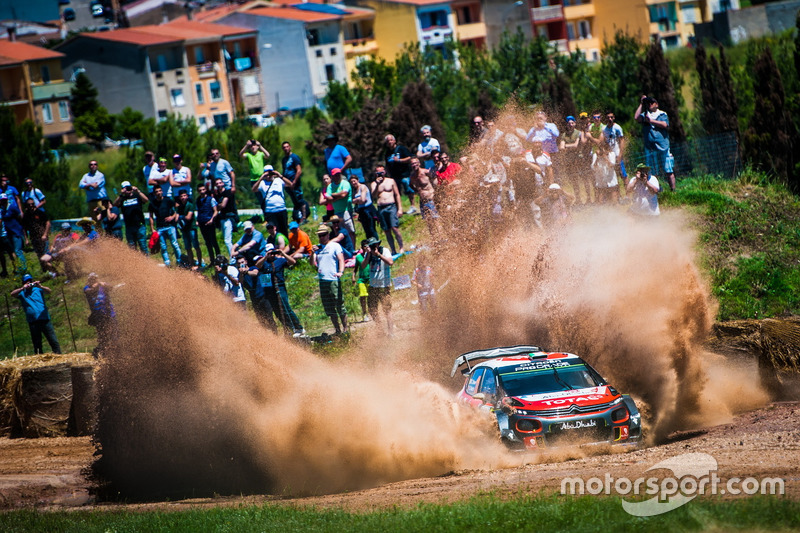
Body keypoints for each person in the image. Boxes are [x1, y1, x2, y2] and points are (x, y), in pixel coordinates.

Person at [255, 246, 305, 336]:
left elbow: (293, 262)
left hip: (280, 287)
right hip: (269, 290)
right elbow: (258, 265)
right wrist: (265, 257)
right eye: (270, 253)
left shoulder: (280, 260)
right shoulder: (264, 262)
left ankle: (298, 327)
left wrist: (283, 253)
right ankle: (289, 328)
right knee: (277, 311)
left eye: (273, 253)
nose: (272, 255)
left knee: (286, 308)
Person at [312, 224, 348, 334]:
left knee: (339, 303)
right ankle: (337, 329)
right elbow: (313, 263)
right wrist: (312, 252)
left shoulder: (334, 246)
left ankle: (345, 328)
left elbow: (341, 259)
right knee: (328, 306)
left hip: (333, 279)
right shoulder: (318, 249)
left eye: (323, 235)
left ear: (328, 234)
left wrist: (341, 271)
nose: (321, 237)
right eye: (319, 236)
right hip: (323, 280)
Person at [11, 274, 61, 354]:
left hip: (44, 319)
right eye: (27, 281)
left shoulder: (38, 289)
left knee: (53, 340)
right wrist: (22, 288)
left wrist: (40, 286)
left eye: (30, 281)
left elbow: (49, 291)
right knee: (37, 343)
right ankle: (39, 357)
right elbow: (12, 294)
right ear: (23, 282)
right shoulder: (22, 293)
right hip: (33, 321)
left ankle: (58, 354)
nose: (29, 283)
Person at [635, 95, 675, 191]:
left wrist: (651, 121)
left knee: (668, 169)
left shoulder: (662, 114)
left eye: (651, 103)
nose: (650, 105)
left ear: (656, 104)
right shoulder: (645, 114)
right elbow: (636, 118)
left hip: (663, 147)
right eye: (648, 103)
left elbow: (664, 124)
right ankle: (657, 189)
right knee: (653, 171)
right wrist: (641, 103)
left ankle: (673, 190)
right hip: (650, 148)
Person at [370, 165, 404, 255]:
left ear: (384, 172)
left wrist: (400, 208)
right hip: (381, 208)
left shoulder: (391, 181)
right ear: (375, 173)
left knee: (395, 228)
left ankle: (401, 247)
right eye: (378, 173)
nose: (380, 174)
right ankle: (393, 249)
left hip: (391, 206)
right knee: (387, 230)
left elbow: (397, 194)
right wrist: (377, 184)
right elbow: (373, 196)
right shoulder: (374, 184)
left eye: (381, 172)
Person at [364, 236, 394, 336]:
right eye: (371, 245)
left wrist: (378, 255)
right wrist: (368, 254)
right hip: (373, 286)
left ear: (378, 244)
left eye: (375, 245)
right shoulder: (368, 253)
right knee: (372, 309)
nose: (374, 247)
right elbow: (363, 266)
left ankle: (391, 332)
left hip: (384, 285)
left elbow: (390, 262)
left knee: (387, 310)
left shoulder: (384, 251)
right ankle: (380, 329)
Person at [252, 164, 292, 238]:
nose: (269, 175)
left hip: (281, 209)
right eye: (267, 173)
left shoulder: (279, 180)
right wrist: (261, 178)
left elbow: (290, 184)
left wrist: (280, 175)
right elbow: (254, 189)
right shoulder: (262, 183)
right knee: (273, 231)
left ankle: (285, 246)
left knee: (284, 229)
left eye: (270, 173)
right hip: (270, 211)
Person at [83, 272, 118, 357]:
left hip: (109, 314)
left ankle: (116, 351)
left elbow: (111, 286)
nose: (93, 281)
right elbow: (89, 291)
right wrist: (98, 285)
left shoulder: (102, 285)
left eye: (94, 279)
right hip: (98, 316)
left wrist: (103, 284)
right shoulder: (87, 288)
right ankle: (104, 352)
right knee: (102, 335)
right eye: (91, 279)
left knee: (114, 333)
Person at [148, 184, 183, 267]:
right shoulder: (152, 204)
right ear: (154, 193)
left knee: (175, 244)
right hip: (160, 227)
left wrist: (172, 217)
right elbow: (151, 217)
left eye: (160, 191)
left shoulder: (168, 200)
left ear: (162, 191)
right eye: (156, 192)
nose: (159, 193)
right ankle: (167, 263)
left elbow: (177, 207)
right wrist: (152, 229)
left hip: (170, 226)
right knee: (163, 246)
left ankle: (180, 261)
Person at [114, 181, 149, 254]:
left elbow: (146, 200)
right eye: (125, 188)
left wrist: (138, 191)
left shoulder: (137, 196)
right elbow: (115, 205)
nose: (127, 190)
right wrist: (121, 194)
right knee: (132, 248)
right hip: (129, 226)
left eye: (128, 187)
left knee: (143, 246)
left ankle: (146, 263)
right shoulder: (122, 199)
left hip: (139, 225)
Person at [559, 115, 588, 203]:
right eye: (569, 123)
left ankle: (588, 198)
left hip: (578, 159)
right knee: (573, 180)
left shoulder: (578, 133)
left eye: (572, 123)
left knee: (584, 178)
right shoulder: (564, 135)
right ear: (566, 125)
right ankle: (578, 199)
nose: (570, 125)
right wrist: (567, 146)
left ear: (575, 123)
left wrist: (566, 146)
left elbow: (575, 146)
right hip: (569, 159)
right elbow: (561, 147)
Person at [324, 168, 356, 245]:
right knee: (340, 231)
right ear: (332, 176)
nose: (337, 176)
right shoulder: (330, 186)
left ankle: (353, 248)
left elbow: (344, 194)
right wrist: (339, 196)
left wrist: (333, 194)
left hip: (346, 210)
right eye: (335, 175)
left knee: (350, 230)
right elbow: (328, 198)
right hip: (337, 211)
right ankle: (344, 247)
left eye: (339, 175)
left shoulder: (345, 183)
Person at [384, 134, 415, 214]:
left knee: (408, 189)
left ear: (394, 141)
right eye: (388, 141)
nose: (389, 142)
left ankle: (413, 206)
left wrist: (399, 160)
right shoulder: (387, 153)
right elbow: (387, 164)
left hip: (404, 174)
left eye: (391, 140)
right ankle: (398, 208)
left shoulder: (401, 149)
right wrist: (388, 174)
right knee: (396, 192)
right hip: (394, 175)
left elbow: (410, 158)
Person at [409, 157, 439, 235]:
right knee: (428, 222)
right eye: (412, 163)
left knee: (435, 220)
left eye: (415, 163)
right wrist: (417, 191)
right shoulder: (412, 176)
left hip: (431, 199)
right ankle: (435, 240)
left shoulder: (425, 172)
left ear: (419, 163)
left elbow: (435, 180)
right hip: (422, 202)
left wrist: (435, 193)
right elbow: (410, 185)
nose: (414, 165)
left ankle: (442, 238)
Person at [281, 141, 308, 222]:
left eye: (287, 147)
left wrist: (295, 181)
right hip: (287, 183)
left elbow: (299, 170)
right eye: (284, 147)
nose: (286, 149)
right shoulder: (284, 159)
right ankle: (298, 217)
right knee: (295, 201)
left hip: (294, 182)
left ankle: (304, 216)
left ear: (290, 147)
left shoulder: (294, 157)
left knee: (300, 199)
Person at [21, 198, 50, 273]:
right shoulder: (26, 215)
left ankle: (51, 270)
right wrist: (26, 239)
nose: (31, 206)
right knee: (39, 255)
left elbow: (48, 223)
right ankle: (44, 270)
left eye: (32, 204)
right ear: (26, 205)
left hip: (43, 237)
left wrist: (45, 234)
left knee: (46, 254)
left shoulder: (39, 212)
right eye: (29, 204)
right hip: (34, 238)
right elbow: (24, 228)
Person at [177, 190, 203, 267]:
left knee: (196, 246)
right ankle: (191, 263)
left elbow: (188, 217)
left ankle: (200, 263)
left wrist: (180, 217)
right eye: (181, 196)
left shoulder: (190, 205)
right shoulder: (179, 207)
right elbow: (176, 217)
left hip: (191, 228)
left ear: (187, 196)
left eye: (184, 195)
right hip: (184, 229)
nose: (183, 197)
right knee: (188, 247)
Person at [0, 193, 26, 272]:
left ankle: (23, 269)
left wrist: (21, 230)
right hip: (8, 233)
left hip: (16, 232)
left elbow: (20, 217)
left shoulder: (12, 207)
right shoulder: (2, 210)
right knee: (13, 251)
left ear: (7, 199)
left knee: (18, 251)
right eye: (2, 200)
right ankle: (17, 268)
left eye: (5, 200)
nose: (3, 202)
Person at [213, 177, 238, 256]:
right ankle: (235, 255)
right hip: (223, 218)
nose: (219, 185)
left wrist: (216, 206)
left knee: (227, 240)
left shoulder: (227, 192)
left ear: (223, 183)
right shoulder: (217, 195)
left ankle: (233, 257)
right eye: (217, 183)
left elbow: (223, 205)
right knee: (226, 240)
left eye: (220, 183)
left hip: (229, 218)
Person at [350, 174, 379, 241]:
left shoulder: (363, 187)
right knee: (367, 230)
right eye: (351, 182)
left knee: (372, 229)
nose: (353, 183)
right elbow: (353, 201)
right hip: (362, 210)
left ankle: (376, 243)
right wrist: (358, 200)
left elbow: (363, 200)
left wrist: (357, 200)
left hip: (368, 209)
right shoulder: (355, 190)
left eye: (354, 181)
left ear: (357, 180)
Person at [196, 183, 219, 263]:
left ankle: (218, 259)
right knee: (208, 243)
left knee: (214, 242)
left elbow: (216, 211)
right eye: (200, 190)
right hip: (202, 223)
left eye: (203, 189)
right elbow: (199, 211)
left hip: (210, 222)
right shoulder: (198, 200)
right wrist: (197, 220)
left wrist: (212, 219)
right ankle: (212, 261)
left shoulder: (211, 199)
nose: (202, 191)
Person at [603, 111, 626, 182]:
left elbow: (622, 141)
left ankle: (627, 192)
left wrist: (620, 154)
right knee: (614, 175)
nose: (610, 119)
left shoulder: (617, 128)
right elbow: (605, 142)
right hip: (610, 154)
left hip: (617, 153)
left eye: (611, 117)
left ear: (614, 118)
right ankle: (617, 191)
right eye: (608, 117)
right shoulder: (604, 129)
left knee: (623, 174)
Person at [352, 239, 371, 322]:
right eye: (365, 246)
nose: (366, 248)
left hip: (370, 278)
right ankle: (364, 313)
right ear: (362, 247)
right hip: (362, 279)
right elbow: (355, 268)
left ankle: (372, 312)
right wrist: (353, 277)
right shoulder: (358, 257)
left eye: (368, 246)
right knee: (363, 296)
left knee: (371, 297)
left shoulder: (371, 255)